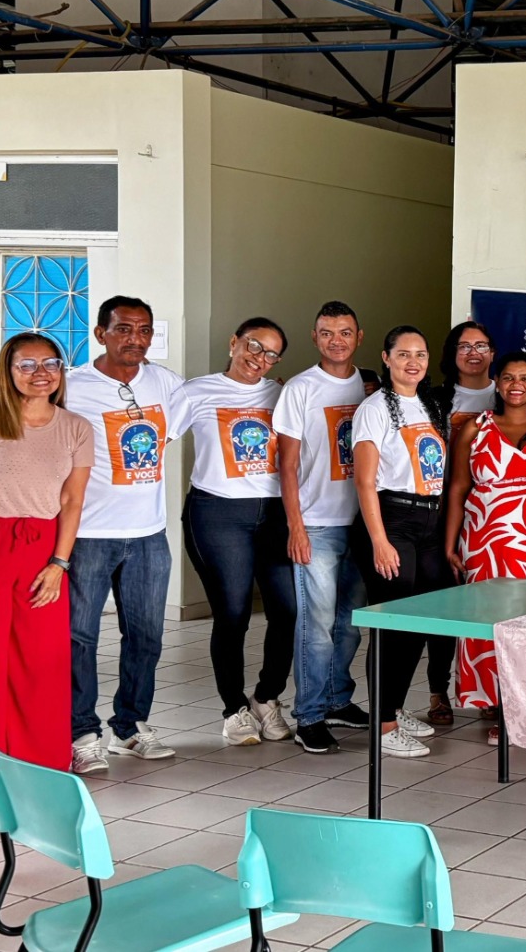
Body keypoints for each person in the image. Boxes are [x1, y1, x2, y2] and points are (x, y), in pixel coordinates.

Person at [0, 334, 92, 796]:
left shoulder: (76, 428)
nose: (40, 373)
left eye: (50, 363)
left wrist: (59, 563)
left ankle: (42, 762)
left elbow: (72, 501)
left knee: (42, 659)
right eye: (26, 365)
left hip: (42, 548)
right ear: (7, 371)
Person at [65, 297, 183, 772]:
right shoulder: (72, 385)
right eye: (124, 329)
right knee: (80, 637)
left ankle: (130, 727)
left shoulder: (164, 382)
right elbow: (19, 415)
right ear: (101, 334)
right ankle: (81, 732)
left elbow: (193, 414)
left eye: (144, 330)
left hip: (149, 532)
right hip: (89, 533)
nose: (136, 339)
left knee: (146, 636)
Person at [175, 318, 301, 748]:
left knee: (288, 609)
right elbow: (155, 438)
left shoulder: (281, 395)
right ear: (234, 343)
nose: (259, 358)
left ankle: (266, 697)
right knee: (233, 614)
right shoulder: (195, 391)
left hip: (274, 513)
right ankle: (234, 708)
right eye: (253, 345)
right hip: (217, 513)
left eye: (271, 353)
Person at [441, 350, 526, 743]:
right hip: (486, 541)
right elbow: (458, 489)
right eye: (509, 377)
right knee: (489, 620)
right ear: (497, 382)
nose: (517, 385)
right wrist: (450, 543)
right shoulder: (474, 429)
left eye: (525, 378)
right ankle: (498, 703)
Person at [273, 301, 374, 755]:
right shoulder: (300, 388)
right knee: (316, 625)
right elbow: (287, 465)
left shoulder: (370, 386)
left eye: (345, 332)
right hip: (316, 523)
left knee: (349, 622)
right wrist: (295, 526)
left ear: (359, 337)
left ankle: (336, 699)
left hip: (361, 523)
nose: (337, 340)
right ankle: (309, 715)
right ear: (315, 337)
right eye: (327, 333)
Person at [349, 326, 451, 759]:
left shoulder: (429, 404)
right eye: (404, 354)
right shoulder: (373, 409)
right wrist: (379, 540)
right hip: (393, 520)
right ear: (386, 358)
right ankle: (384, 723)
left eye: (420, 354)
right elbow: (365, 480)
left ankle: (392, 705)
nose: (413, 362)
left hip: (429, 520)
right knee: (393, 626)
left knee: (421, 622)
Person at [418, 322, 495, 727]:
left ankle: (491, 692)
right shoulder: (434, 399)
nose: (473, 353)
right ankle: (438, 690)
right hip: (439, 513)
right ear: (451, 354)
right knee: (446, 605)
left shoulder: (507, 393)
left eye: (481, 345)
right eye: (464, 346)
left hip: (489, 519)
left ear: (493, 353)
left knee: (488, 607)